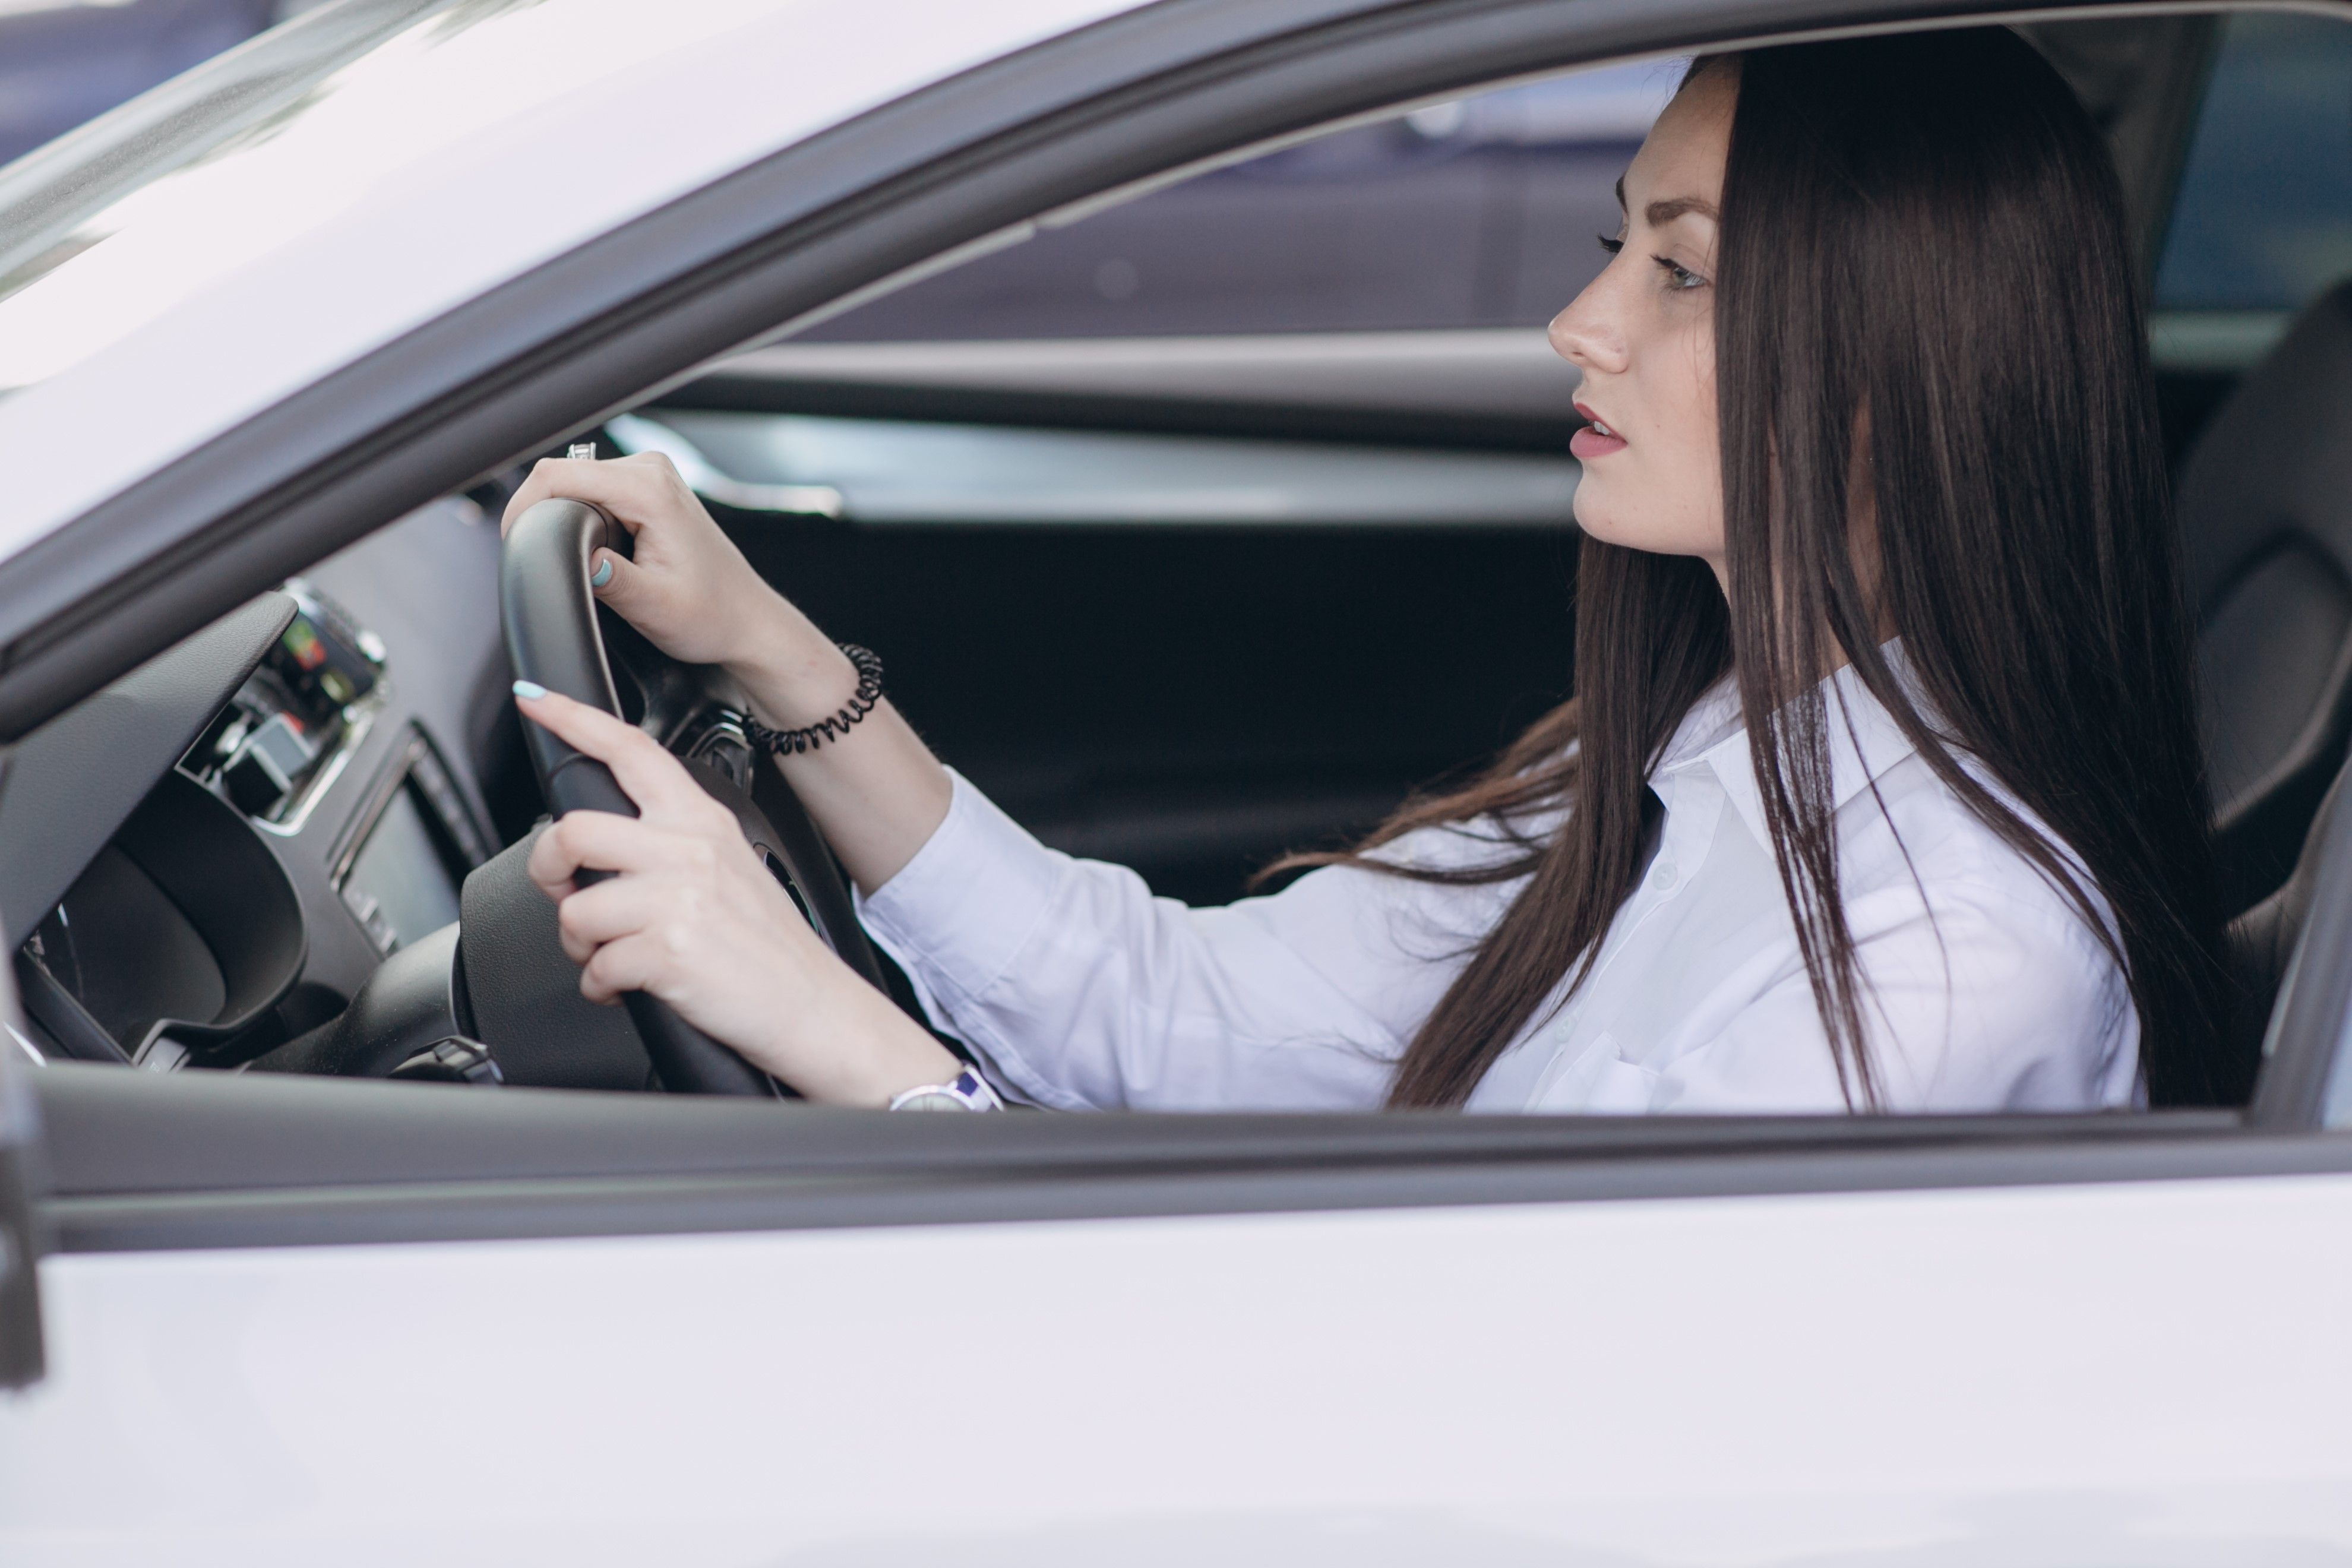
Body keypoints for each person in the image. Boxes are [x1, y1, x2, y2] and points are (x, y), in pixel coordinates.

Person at [501, 30, 2243, 1115]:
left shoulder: (1950, 967)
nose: (1581, 323)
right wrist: (781, 662)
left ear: (1894, 376)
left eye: (1683, 275)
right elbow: (1174, 1015)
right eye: (1616, 242)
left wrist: (851, 1046)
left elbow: (1435, 1425)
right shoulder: (1684, 753)